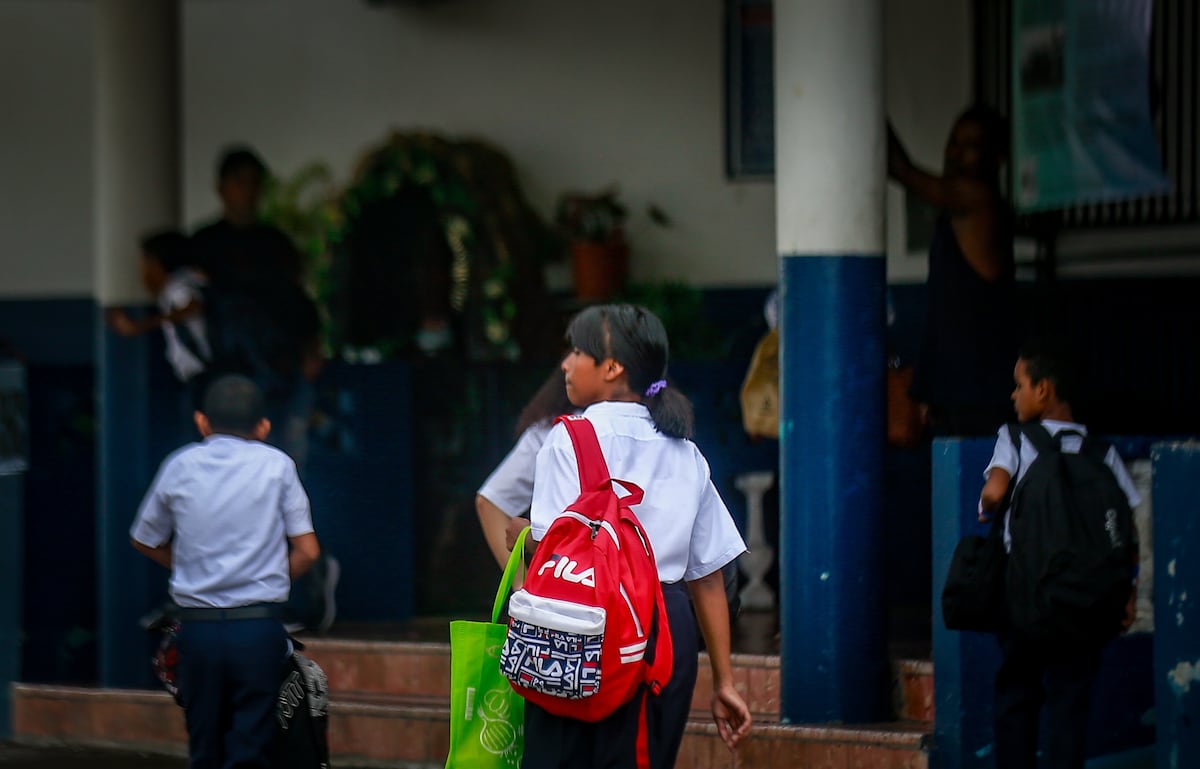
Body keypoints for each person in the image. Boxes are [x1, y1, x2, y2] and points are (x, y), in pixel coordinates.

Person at [522, 304, 752, 769]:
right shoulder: (687, 452)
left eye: (578, 351)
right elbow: (707, 576)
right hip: (667, 634)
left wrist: (522, 535)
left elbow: (550, 548)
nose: (566, 363)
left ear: (612, 368)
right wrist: (724, 681)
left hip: (580, 625)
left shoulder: (570, 438)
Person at [129, 374, 321, 769]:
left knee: (205, 748)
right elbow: (307, 551)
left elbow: (144, 539)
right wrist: (266, 578)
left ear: (202, 422)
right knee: (253, 747)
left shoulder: (179, 465)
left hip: (196, 631)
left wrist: (188, 567)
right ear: (263, 427)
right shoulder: (277, 465)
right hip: (257, 629)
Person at [191, 144, 336, 633]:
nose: (247, 193)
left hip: (283, 379)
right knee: (233, 492)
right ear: (222, 187)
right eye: (239, 182)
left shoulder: (276, 243)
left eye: (254, 183)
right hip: (228, 387)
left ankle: (300, 596)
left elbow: (301, 300)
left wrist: (311, 348)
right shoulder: (204, 243)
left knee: (287, 485)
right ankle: (238, 598)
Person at [977, 339, 1141, 769]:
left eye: (1019, 385)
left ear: (1043, 390)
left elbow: (994, 492)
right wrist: (1128, 591)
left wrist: (991, 503)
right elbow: (1128, 526)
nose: (1013, 395)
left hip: (1026, 597)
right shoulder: (1102, 452)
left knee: (1017, 695)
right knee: (1071, 702)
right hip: (1087, 600)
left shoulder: (1013, 438)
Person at [888, 105, 1018, 436]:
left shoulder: (977, 199)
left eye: (970, 144)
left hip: (978, 390)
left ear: (997, 157)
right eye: (953, 141)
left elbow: (901, 169)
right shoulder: (961, 205)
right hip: (962, 388)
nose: (956, 152)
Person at [476, 368, 575, 583]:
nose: (568, 363)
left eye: (580, 352)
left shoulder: (553, 430)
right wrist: (523, 586)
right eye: (574, 352)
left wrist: (524, 588)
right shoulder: (553, 430)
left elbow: (489, 502)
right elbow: (491, 501)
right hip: (641, 592)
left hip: (570, 588)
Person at [106, 230, 210, 389]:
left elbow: (194, 306)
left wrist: (142, 325)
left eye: (145, 262)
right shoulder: (182, 283)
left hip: (204, 375)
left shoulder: (179, 286)